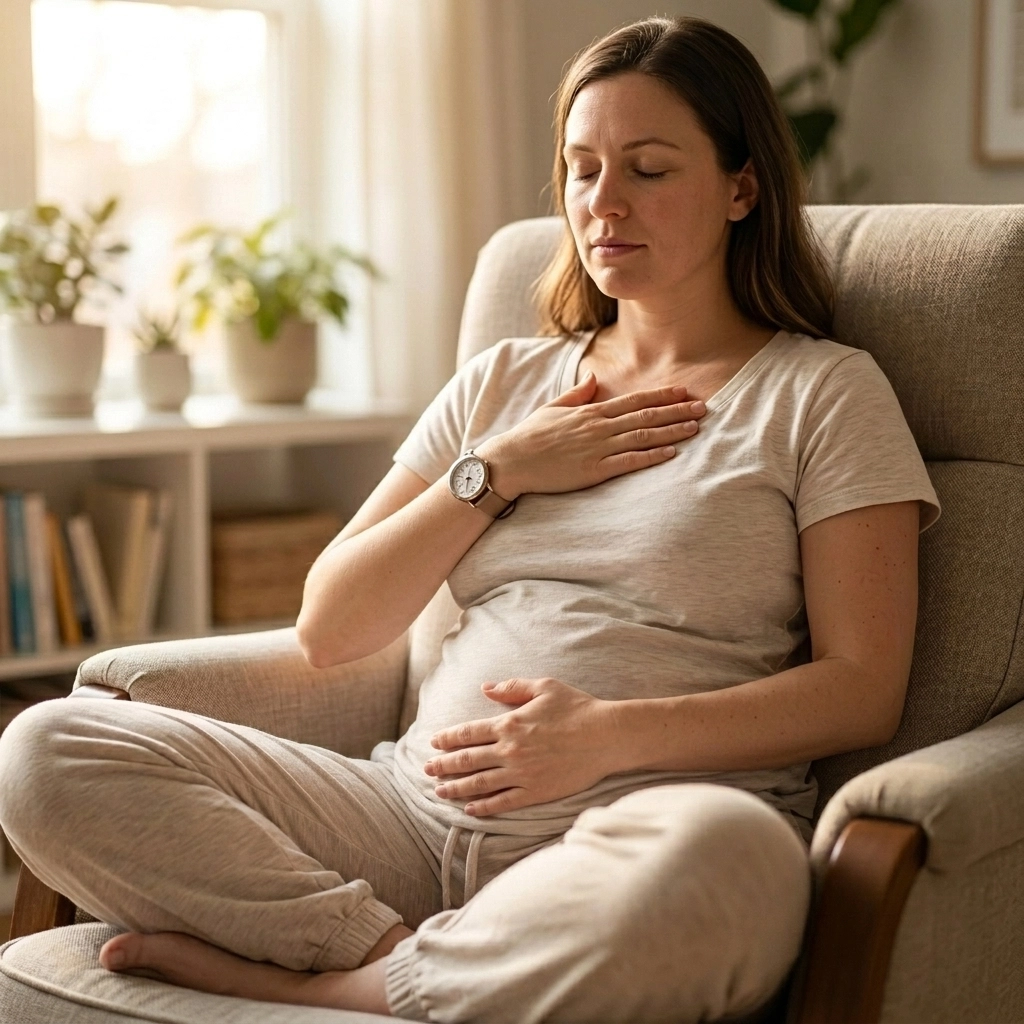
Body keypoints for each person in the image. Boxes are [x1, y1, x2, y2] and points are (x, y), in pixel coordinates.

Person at [0, 15, 939, 1024]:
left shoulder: (820, 392)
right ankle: (384, 956)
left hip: (632, 839)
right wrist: (496, 469)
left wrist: (602, 738)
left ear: (741, 188)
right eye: (580, 169)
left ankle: (335, 988)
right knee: (46, 747)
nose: (601, 203)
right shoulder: (506, 382)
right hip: (403, 820)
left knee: (730, 864)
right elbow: (334, 625)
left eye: (648, 169)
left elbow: (861, 690)